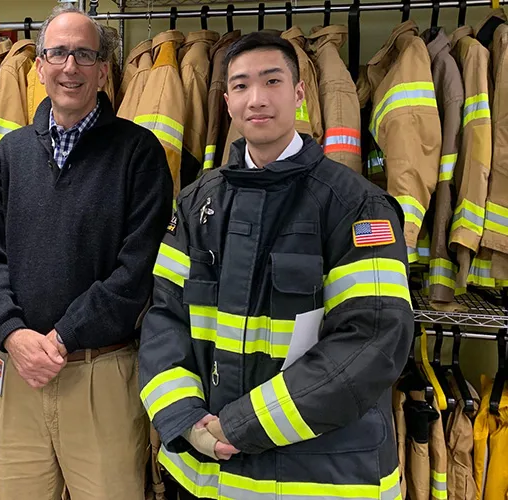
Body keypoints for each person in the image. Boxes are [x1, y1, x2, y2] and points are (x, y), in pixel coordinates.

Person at [139, 31, 413, 500]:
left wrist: (241, 425)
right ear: (226, 101)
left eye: (272, 81)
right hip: (207, 475)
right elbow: (163, 317)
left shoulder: (355, 205)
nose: (257, 99)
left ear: (299, 91)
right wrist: (184, 416)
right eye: (242, 86)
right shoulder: (194, 204)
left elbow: (371, 340)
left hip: (322, 479)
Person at [0, 5, 173, 500]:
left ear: (104, 70)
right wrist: (14, 336)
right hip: (18, 375)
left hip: (100, 375)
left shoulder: (139, 152)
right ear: (38, 67)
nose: (70, 67)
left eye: (84, 54)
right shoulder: (11, 153)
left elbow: (137, 271)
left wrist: (60, 338)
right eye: (57, 53)